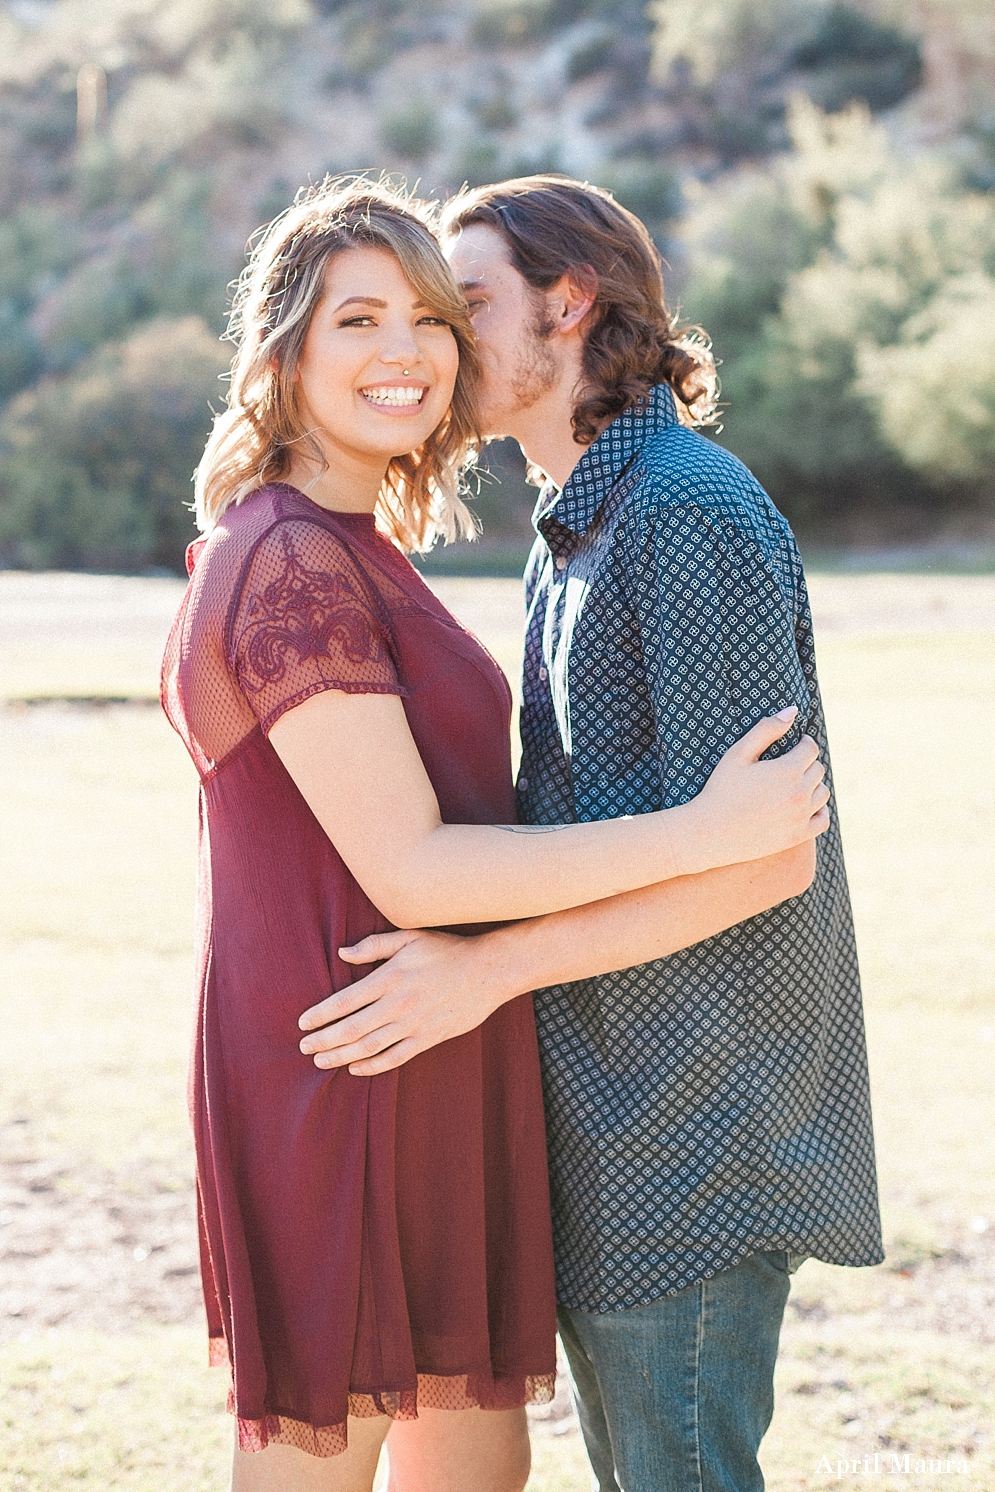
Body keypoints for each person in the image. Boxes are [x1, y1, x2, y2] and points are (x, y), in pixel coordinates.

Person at [161, 177, 828, 1492]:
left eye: (429, 316)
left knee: (476, 1469)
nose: (404, 351)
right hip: (349, 1054)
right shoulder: (288, 556)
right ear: (285, 348)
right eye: (359, 320)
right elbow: (410, 865)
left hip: (442, 1050)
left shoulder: (365, 545)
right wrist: (705, 832)